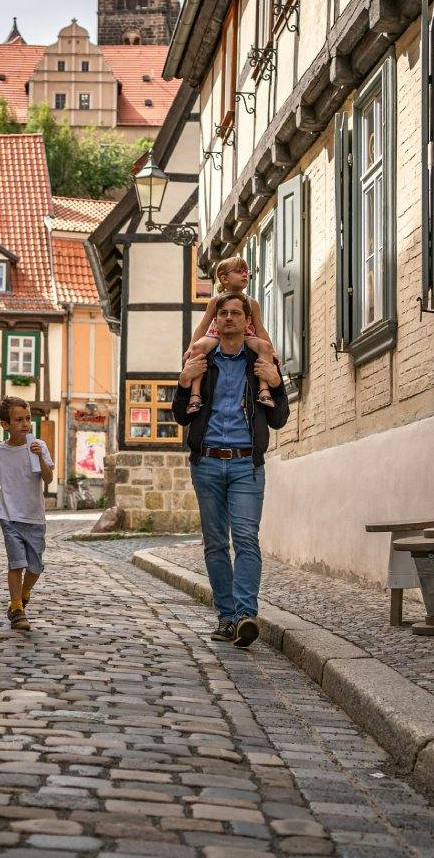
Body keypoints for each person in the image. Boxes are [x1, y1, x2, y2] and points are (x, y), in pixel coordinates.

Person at [173, 291, 287, 646]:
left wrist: (277, 385)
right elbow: (181, 416)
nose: (228, 317)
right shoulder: (202, 360)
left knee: (246, 538)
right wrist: (183, 383)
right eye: (222, 312)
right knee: (216, 543)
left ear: (246, 320)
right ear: (216, 320)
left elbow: (279, 419)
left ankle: (245, 615)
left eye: (236, 312)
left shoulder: (260, 361)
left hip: (246, 465)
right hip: (207, 462)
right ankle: (226, 617)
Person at [0, 396, 54, 632]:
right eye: (19, 420)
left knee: (35, 567)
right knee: (16, 564)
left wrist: (40, 457)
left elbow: (48, 478)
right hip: (9, 515)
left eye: (28, 419)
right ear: (5, 424)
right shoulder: (0, 450)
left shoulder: (38, 446)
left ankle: (24, 593)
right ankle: (17, 609)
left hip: (34, 516)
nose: (25, 424)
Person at [184, 257, 278, 412]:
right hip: (216, 334)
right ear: (224, 278)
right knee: (198, 348)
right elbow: (203, 326)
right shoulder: (216, 300)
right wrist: (190, 348)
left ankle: (263, 390)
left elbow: (260, 329)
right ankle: (195, 395)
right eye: (239, 271)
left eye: (246, 271)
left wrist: (272, 351)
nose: (245, 274)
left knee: (265, 347)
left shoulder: (252, 303)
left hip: (246, 335)